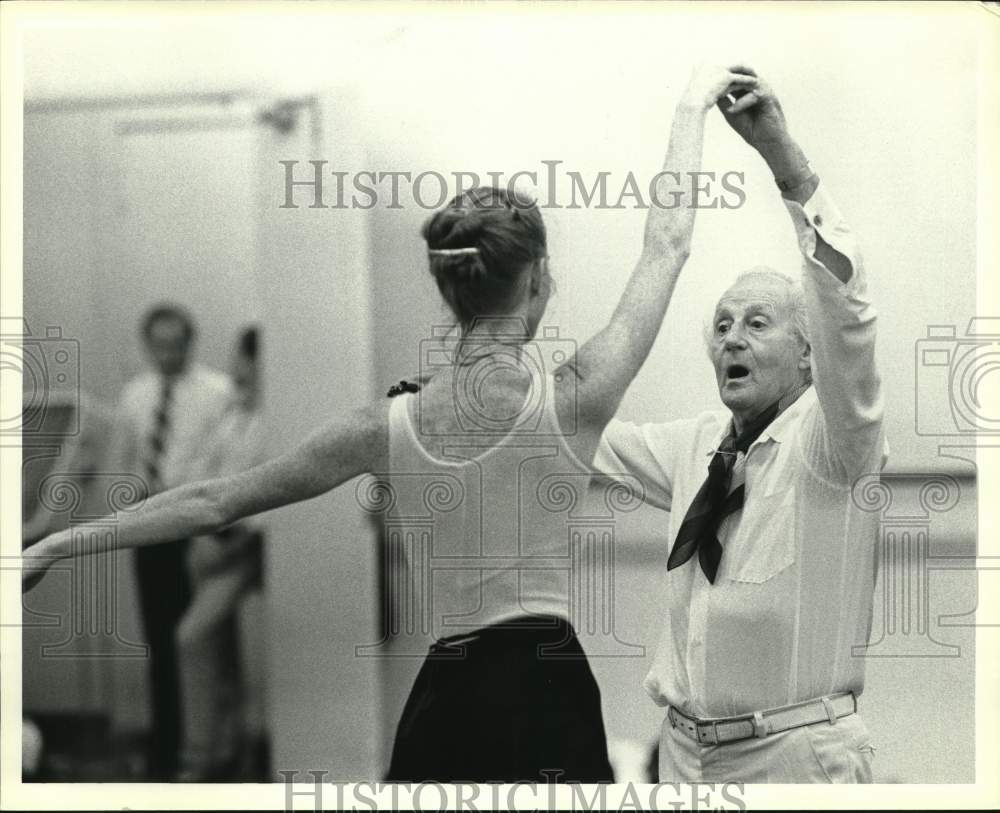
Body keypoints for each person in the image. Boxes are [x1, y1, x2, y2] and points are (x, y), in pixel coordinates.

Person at [23, 65, 761, 781]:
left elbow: (214, 500)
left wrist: (59, 541)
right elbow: (667, 246)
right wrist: (691, 106)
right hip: (545, 688)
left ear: (449, 290)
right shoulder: (576, 395)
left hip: (448, 693)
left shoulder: (385, 423)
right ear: (537, 279)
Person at [594, 68, 887, 783]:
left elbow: (847, 311)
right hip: (682, 755)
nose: (731, 337)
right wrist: (460, 393)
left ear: (809, 354)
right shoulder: (698, 446)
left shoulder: (836, 440)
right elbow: (578, 431)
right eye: (723, 324)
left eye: (757, 323)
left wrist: (784, 159)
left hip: (795, 756)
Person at [110, 304, 233, 779]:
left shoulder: (217, 392)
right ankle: (164, 752)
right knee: (160, 641)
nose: (168, 354)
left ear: (190, 342)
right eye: (159, 345)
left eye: (177, 344)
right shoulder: (135, 395)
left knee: (202, 643)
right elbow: (127, 461)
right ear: (147, 346)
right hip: (152, 523)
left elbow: (225, 461)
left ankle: (209, 752)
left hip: (199, 524)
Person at [175, 326, 265, 782]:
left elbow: (269, 500)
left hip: (243, 547)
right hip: (210, 540)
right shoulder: (236, 414)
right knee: (221, 652)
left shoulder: (273, 418)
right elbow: (199, 474)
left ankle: (199, 758)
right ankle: (225, 750)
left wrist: (230, 541)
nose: (236, 367)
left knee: (191, 636)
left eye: (243, 359)